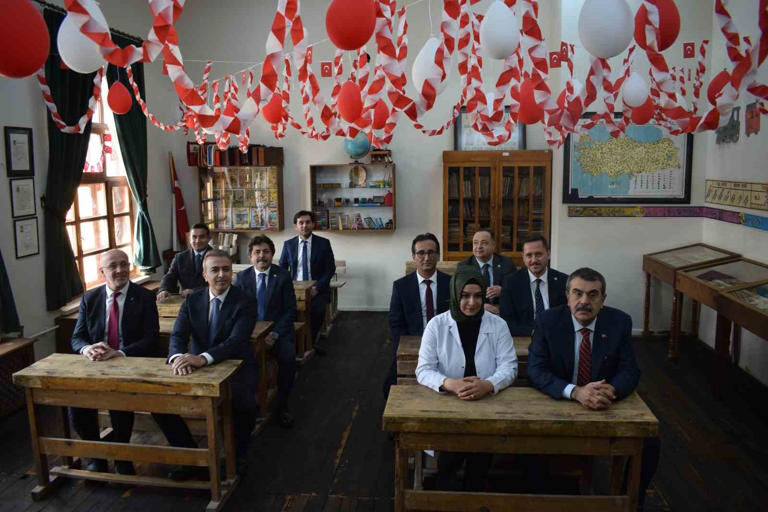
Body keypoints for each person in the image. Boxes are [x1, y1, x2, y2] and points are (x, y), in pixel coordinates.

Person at [527, 267, 659, 511]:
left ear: (603, 299)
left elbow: (630, 371)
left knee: (650, 442)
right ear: (567, 296)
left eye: (593, 294)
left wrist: (610, 391)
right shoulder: (548, 321)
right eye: (577, 293)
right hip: (561, 401)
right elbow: (536, 370)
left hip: (603, 404)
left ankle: (629, 502)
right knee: (529, 442)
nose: (584, 301)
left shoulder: (619, 322)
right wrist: (575, 392)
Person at [153, 250, 259, 477]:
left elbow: (236, 341)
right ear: (204, 275)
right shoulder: (192, 300)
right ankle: (190, 456)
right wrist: (177, 357)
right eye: (215, 270)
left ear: (232, 273)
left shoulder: (245, 301)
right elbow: (178, 335)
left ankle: (235, 457)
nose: (221, 275)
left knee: (243, 405)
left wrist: (202, 358)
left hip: (236, 366)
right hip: (195, 367)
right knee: (160, 403)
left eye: (226, 270)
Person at [416, 266, 518, 491]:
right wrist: (449, 383)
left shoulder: (498, 324)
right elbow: (423, 370)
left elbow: (509, 366)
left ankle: (475, 492)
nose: (472, 303)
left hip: (486, 404)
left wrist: (488, 384)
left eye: (478, 296)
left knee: (480, 460)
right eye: (464, 296)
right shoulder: (436, 325)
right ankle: (445, 492)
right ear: (455, 294)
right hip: (449, 404)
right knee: (448, 461)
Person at [70, 249, 159, 475]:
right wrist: (88, 348)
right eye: (113, 266)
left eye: (124, 264)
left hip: (129, 363)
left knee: (119, 401)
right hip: (97, 365)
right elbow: (77, 338)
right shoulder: (90, 298)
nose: (120, 270)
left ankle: (122, 456)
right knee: (76, 403)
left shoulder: (144, 297)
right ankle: (96, 455)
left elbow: (151, 339)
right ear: (102, 272)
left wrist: (120, 353)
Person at [234, 235, 297, 428]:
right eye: (257, 252)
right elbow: (235, 311)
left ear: (272, 254)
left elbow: (290, 311)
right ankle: (249, 405)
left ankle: (282, 404)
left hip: (276, 334)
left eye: (266, 252)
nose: (262, 256)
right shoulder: (242, 278)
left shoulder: (282, 276)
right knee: (239, 363)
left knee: (288, 358)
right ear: (250, 256)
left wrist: (274, 334)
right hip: (250, 335)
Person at [386, 234, 451, 395]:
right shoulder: (401, 286)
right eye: (421, 253)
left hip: (445, 343)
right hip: (414, 341)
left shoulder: (450, 283)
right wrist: (411, 344)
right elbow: (395, 322)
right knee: (389, 388)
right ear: (414, 257)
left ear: (438, 255)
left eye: (431, 252)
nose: (426, 257)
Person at [279, 210, 336, 354]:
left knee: (317, 312)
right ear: (296, 226)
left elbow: (330, 269)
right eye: (301, 223)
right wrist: (288, 287)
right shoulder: (288, 245)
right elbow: (282, 269)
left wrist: (317, 287)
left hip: (317, 289)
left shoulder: (323, 243)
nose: (304, 226)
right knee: (289, 314)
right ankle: (299, 344)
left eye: (308, 222)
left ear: (313, 224)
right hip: (295, 289)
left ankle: (309, 342)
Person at [500, 234, 567, 336]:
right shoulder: (511, 282)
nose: (534, 260)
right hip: (525, 337)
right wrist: (533, 332)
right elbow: (506, 321)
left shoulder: (563, 281)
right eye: (529, 255)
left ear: (548, 254)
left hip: (557, 336)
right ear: (523, 257)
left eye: (538, 254)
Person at [457, 230, 516, 315]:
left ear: (493, 245)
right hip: (474, 311)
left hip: (501, 311)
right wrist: (481, 306)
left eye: (484, 243)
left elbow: (516, 289)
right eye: (475, 243)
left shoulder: (506, 264)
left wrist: (503, 291)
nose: (479, 246)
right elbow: (460, 294)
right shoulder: (464, 266)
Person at [157, 224, 212, 301]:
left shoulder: (218, 257)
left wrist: (195, 292)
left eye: (202, 237)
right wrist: (164, 289)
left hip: (209, 300)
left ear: (209, 238)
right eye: (194, 237)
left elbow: (219, 283)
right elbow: (170, 276)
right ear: (189, 238)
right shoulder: (180, 257)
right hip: (186, 300)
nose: (197, 241)